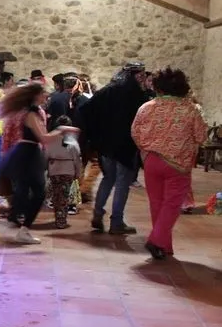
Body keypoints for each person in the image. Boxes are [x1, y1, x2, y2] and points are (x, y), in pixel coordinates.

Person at [131, 68, 207, 260]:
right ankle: (157, 240)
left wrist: (147, 149)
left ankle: (164, 246)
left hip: (151, 160)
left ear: (158, 86)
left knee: (157, 203)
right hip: (178, 163)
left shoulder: (146, 107)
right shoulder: (191, 109)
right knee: (172, 205)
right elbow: (201, 136)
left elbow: (135, 133)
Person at [0, 82, 79, 244]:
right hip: (27, 153)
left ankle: (16, 223)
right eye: (43, 92)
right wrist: (62, 130)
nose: (46, 95)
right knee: (37, 193)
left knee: (28, 191)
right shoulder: (30, 114)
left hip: (29, 153)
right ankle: (18, 225)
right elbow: (44, 138)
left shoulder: (34, 112)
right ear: (35, 95)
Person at [79, 63, 149, 235]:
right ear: (135, 75)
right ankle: (116, 222)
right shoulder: (137, 94)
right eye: (140, 75)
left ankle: (98, 213)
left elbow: (85, 110)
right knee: (122, 184)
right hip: (126, 145)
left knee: (108, 179)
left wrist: (95, 135)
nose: (142, 78)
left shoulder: (108, 90)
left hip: (106, 145)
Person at [46, 116, 82, 229]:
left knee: (56, 195)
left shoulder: (51, 140)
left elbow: (46, 155)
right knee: (64, 196)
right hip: (68, 171)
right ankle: (61, 220)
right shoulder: (72, 141)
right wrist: (78, 173)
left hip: (54, 170)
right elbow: (77, 159)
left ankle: (58, 217)